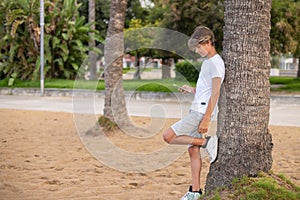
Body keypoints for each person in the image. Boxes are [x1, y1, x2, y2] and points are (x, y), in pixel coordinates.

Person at [163, 26, 225, 200]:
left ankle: (207, 142)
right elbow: (206, 89)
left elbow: (215, 93)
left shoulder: (216, 63)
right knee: (192, 150)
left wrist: (206, 119)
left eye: (198, 47)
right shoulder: (208, 63)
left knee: (168, 136)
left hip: (200, 113)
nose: (197, 51)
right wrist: (191, 89)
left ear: (207, 42)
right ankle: (195, 192)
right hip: (197, 108)